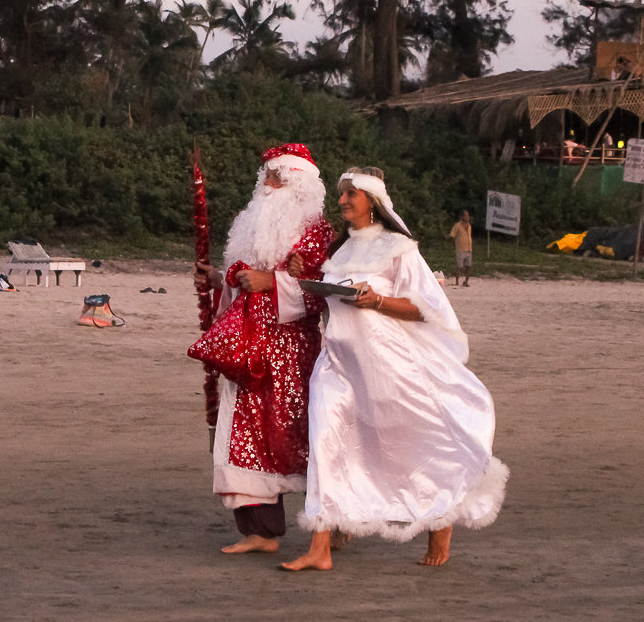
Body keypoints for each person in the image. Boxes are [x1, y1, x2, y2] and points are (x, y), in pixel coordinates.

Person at [280, 167, 508, 572]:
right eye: (342, 194)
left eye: (351, 194)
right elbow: (330, 297)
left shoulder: (400, 247)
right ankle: (320, 548)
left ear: (373, 200)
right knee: (326, 444)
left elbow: (426, 308)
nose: (343, 201)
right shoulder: (339, 251)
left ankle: (442, 516)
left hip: (390, 366)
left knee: (415, 443)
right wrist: (309, 279)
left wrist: (377, 302)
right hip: (337, 364)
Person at [187, 144, 335, 555]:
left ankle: (334, 523)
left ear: (300, 185)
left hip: (291, 352)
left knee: (298, 438)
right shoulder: (252, 224)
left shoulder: (319, 233)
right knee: (243, 437)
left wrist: (274, 283)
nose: (268, 186)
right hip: (247, 349)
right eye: (266, 176)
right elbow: (244, 283)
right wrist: (220, 279)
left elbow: (325, 292)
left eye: (279, 178)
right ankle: (260, 531)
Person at [449, 209, 473, 287]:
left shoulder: (469, 226)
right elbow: (452, 235)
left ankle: (466, 282)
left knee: (469, 266)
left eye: (468, 215)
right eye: (466, 215)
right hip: (460, 249)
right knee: (460, 267)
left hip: (469, 249)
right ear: (462, 217)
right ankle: (457, 281)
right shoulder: (457, 226)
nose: (467, 217)